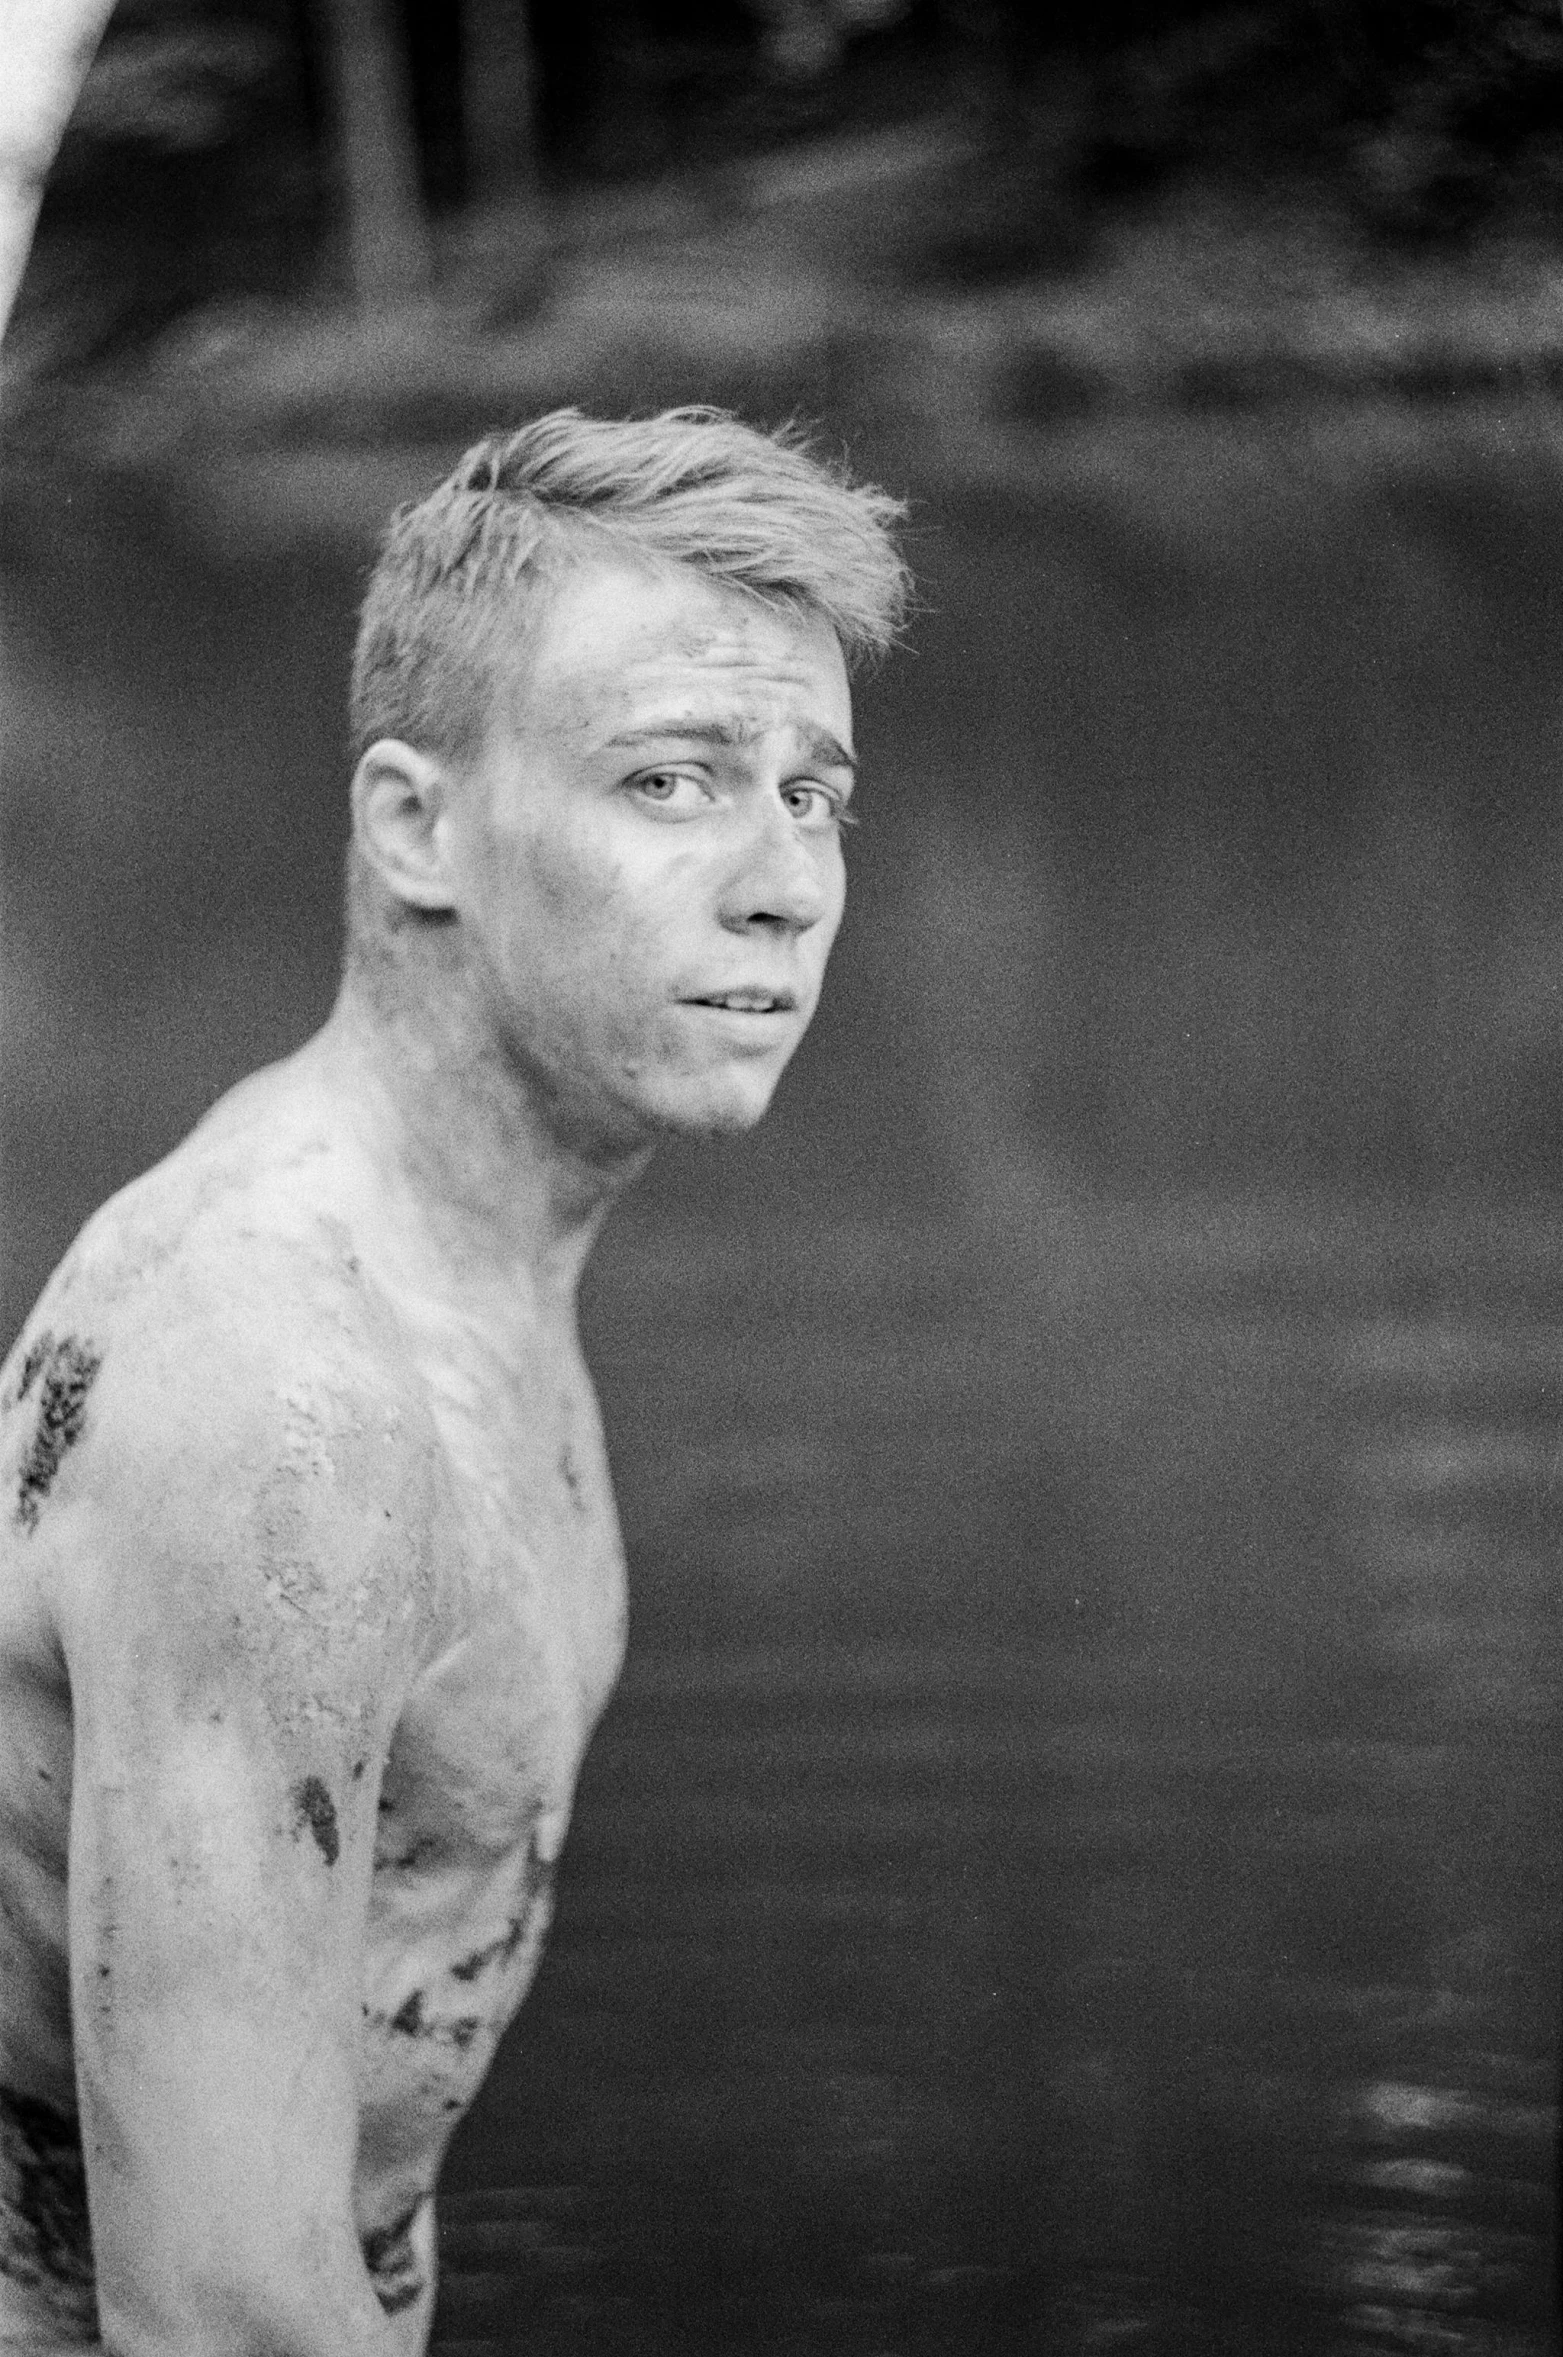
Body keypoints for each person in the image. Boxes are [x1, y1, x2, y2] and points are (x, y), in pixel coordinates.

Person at [0, 406, 909, 2353]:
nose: (783, 883)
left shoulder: (457, 1271)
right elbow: (220, 2305)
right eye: (672, 780)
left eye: (813, 793)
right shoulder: (281, 1397)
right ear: (415, 825)